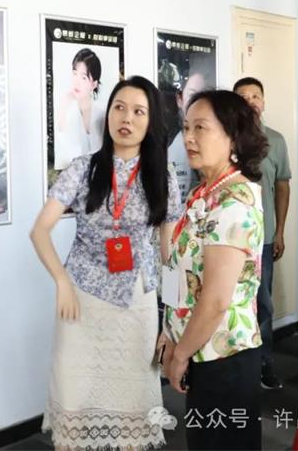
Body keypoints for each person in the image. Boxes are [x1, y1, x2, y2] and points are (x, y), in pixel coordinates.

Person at [31, 76, 181, 450]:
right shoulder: (83, 168)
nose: (126, 118)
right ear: (108, 113)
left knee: (132, 412)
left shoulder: (162, 176)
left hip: (136, 304)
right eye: (119, 107)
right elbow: (39, 231)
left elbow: (170, 255)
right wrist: (62, 282)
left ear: (151, 122)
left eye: (138, 111)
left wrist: (173, 318)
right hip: (81, 302)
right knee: (76, 405)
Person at [160, 90, 267, 450]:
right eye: (186, 127)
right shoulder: (204, 192)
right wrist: (169, 330)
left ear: (233, 137)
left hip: (224, 356)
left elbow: (217, 299)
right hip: (199, 346)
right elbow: (179, 267)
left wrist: (181, 354)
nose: (189, 138)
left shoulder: (233, 201)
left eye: (201, 128)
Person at [234, 76, 292, 390]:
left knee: (263, 303)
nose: (250, 101)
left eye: (255, 95)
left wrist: (280, 231)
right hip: (229, 238)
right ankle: (236, 365)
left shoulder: (276, 141)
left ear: (264, 101)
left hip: (264, 237)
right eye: (243, 96)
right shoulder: (223, 137)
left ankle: (264, 362)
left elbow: (282, 187)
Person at [54, 48, 104, 169]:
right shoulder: (65, 107)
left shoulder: (102, 114)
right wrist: (65, 105)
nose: (77, 82)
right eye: (75, 74)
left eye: (83, 77)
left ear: (94, 84)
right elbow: (61, 152)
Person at [167, 72, 207, 200]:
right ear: (179, 99)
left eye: (202, 96)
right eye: (192, 95)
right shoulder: (165, 139)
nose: (197, 102)